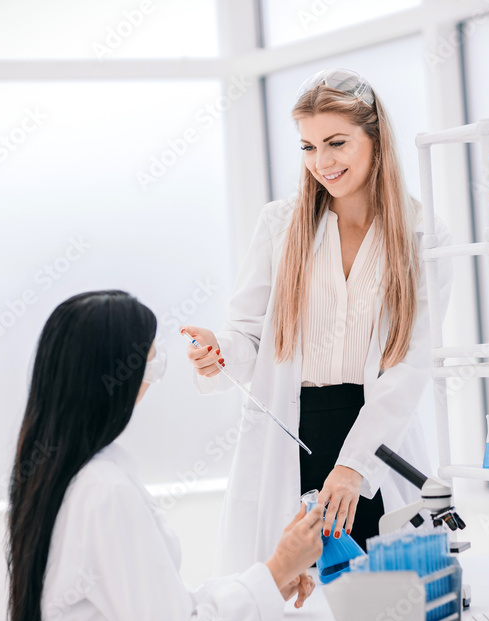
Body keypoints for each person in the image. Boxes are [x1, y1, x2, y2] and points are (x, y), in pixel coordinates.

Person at [184, 69, 451, 575]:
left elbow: (410, 367)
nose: (322, 162)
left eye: (336, 143)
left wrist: (354, 466)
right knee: (289, 604)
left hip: (376, 443)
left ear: (375, 138)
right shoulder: (280, 225)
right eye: (307, 147)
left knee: (390, 599)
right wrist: (219, 350)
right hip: (293, 435)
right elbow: (250, 336)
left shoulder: (422, 235)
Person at [6, 290, 323, 621]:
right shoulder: (104, 493)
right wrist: (276, 570)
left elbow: (173, 609)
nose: (154, 378)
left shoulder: (75, 474)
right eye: (149, 365)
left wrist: (269, 581)